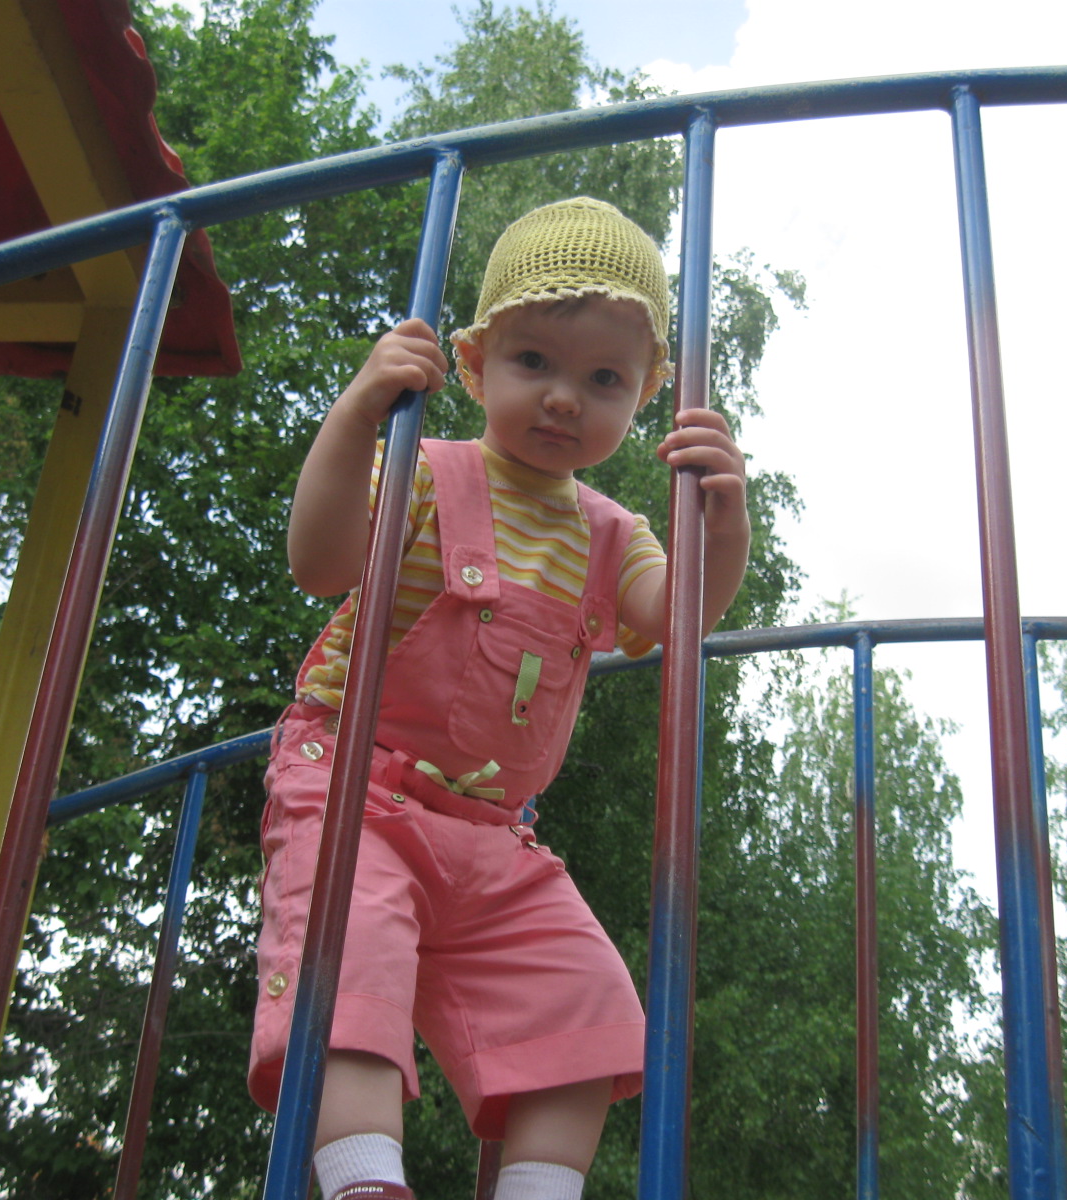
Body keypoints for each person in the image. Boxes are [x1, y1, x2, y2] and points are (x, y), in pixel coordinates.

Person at [250, 197, 751, 1200]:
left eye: (603, 379)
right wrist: (358, 411)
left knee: (588, 1004)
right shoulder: (423, 474)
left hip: (492, 835)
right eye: (534, 362)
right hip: (356, 793)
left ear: (643, 396)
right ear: (476, 365)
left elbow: (678, 616)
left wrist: (725, 521)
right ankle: (363, 1180)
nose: (564, 398)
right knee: (350, 965)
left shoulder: (615, 536)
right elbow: (319, 561)